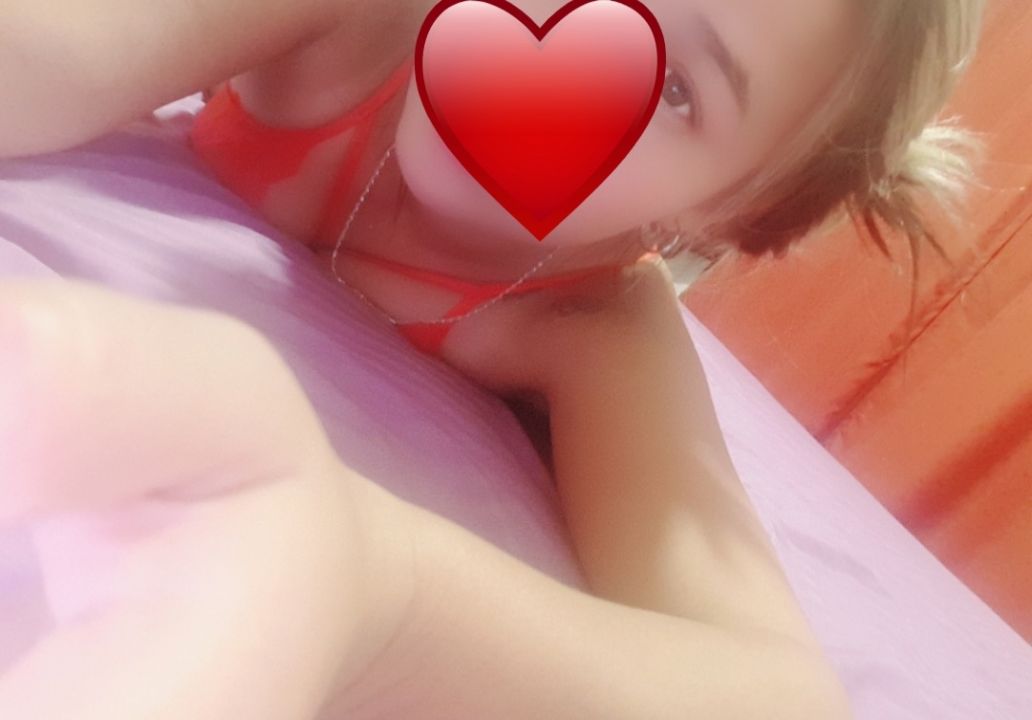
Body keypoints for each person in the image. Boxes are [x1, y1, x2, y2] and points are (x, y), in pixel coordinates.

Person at [0, 0, 984, 717]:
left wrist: (382, 583)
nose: (569, 35)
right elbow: (54, 51)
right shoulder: (352, 30)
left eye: (676, 89)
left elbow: (774, 696)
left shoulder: (589, 322)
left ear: (719, 213)